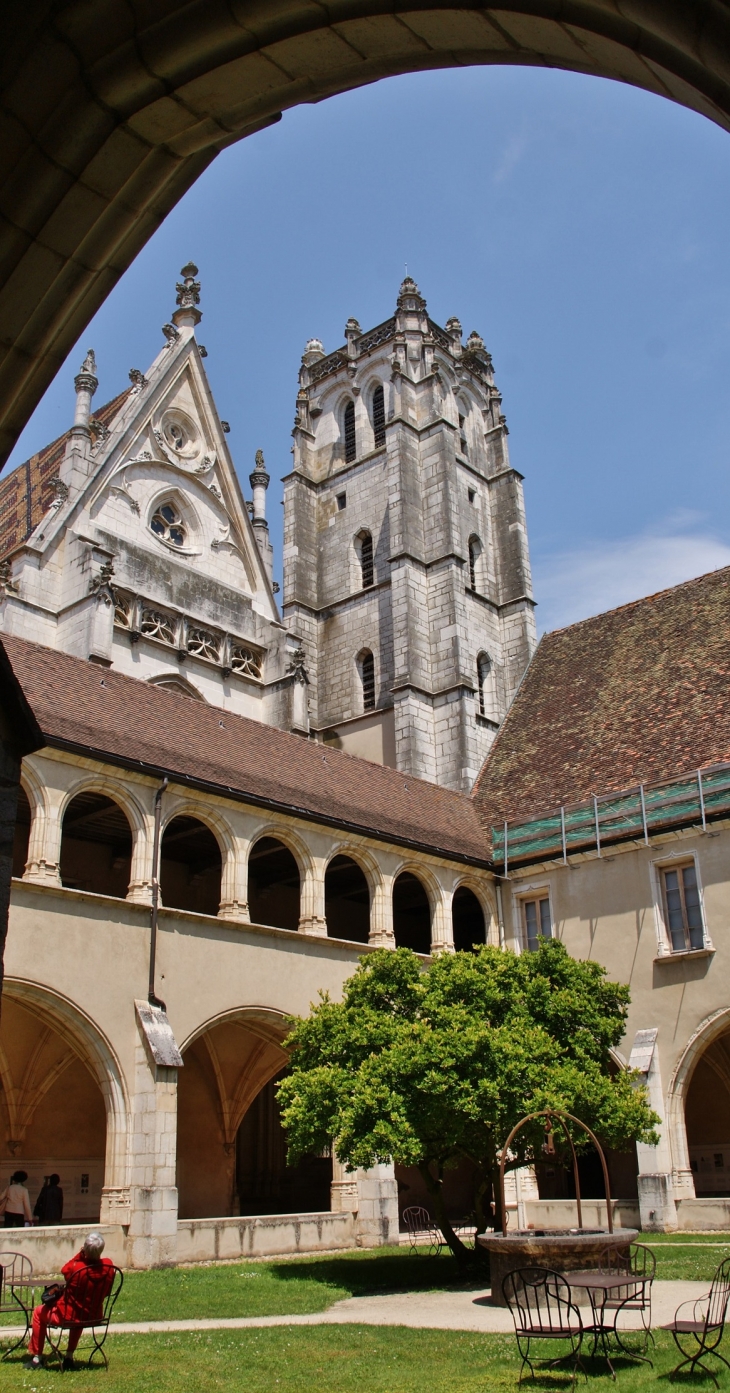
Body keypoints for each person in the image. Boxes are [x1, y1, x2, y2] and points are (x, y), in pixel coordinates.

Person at [24, 1231, 116, 1370]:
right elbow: (107, 1291)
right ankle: (69, 1355)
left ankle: (37, 1357)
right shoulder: (108, 1266)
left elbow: (64, 1269)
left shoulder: (77, 1268)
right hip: (93, 1315)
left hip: (68, 1316)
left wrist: (80, 1254)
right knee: (78, 1315)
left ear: (85, 1249)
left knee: (38, 1312)